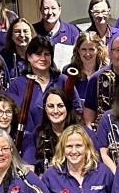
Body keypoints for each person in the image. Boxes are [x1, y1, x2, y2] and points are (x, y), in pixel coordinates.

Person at [7, 36, 73, 165]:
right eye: (38, 54)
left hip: (61, 141)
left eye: (47, 54)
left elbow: (75, 110)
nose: (43, 58)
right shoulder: (17, 84)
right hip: (29, 145)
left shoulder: (63, 80)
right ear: (29, 57)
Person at [34, 88, 78, 175]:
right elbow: (31, 168)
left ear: (68, 108)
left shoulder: (82, 133)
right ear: (45, 109)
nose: (55, 111)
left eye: (60, 106)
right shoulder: (38, 133)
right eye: (50, 106)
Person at [66, 31, 108, 105]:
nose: (87, 53)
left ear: (98, 50)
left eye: (91, 49)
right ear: (78, 50)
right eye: (84, 49)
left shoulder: (107, 72)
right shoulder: (69, 71)